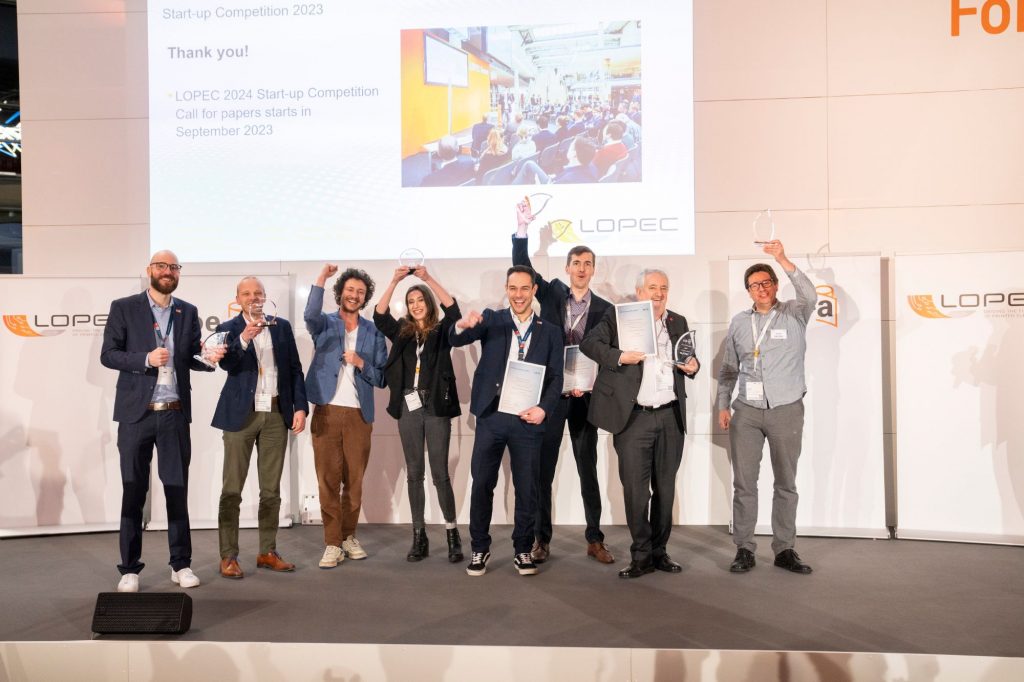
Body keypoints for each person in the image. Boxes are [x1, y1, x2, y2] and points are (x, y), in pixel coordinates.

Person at [100, 250, 224, 593]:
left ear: (178, 273)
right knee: (133, 491)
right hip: (135, 415)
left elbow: (190, 356)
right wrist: (145, 358)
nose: (167, 271)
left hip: (174, 413)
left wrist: (208, 358)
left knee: (176, 490)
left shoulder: (188, 311)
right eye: (161, 266)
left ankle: (180, 564)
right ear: (149, 270)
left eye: (173, 267)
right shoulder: (124, 307)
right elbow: (108, 354)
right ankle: (129, 569)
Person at [511, 199, 614, 565]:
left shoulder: (606, 309)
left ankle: (595, 539)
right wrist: (523, 230)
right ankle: (542, 539)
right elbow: (522, 269)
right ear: (568, 268)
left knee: (588, 469)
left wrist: (598, 384)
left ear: (593, 270)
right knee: (544, 471)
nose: (582, 269)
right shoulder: (554, 292)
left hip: (586, 398)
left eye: (587, 264)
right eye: (576, 263)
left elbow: (609, 354)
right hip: (552, 395)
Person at [580, 269, 699, 579]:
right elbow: (589, 344)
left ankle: (660, 552)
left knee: (665, 490)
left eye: (664, 287)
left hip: (670, 415)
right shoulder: (618, 317)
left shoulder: (677, 321)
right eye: (652, 287)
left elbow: (688, 358)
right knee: (635, 491)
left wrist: (693, 366)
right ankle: (641, 555)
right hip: (634, 418)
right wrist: (621, 356)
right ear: (639, 292)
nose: (659, 293)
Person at [449, 265, 563, 577]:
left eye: (525, 288)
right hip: (492, 415)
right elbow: (457, 340)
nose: (518, 295)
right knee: (482, 484)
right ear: (506, 289)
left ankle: (523, 549)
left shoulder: (550, 331)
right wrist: (461, 324)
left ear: (534, 290)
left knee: (527, 488)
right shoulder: (492, 319)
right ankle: (479, 547)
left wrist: (544, 409)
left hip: (528, 418)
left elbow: (556, 378)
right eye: (513, 288)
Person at [718, 240, 816, 575]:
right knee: (744, 484)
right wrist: (723, 404)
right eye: (753, 285)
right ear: (747, 291)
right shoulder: (739, 323)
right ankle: (744, 549)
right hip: (746, 411)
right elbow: (728, 368)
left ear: (775, 285)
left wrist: (782, 258)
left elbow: (810, 295)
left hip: (786, 409)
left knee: (786, 483)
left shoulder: (794, 313)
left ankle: (785, 549)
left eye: (766, 283)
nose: (760, 289)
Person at [211, 276, 308, 579]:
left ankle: (267, 551)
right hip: (240, 416)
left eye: (258, 293)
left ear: (265, 297)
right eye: (247, 293)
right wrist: (244, 338)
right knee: (232, 490)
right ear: (238, 298)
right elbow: (227, 365)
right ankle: (228, 556)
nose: (253, 298)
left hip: (276, 413)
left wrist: (301, 407)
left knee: (271, 491)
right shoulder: (227, 329)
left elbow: (294, 369)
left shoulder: (282, 327)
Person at [373, 265, 464, 563]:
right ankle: (419, 536)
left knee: (440, 474)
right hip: (408, 407)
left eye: (420, 299)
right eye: (410, 301)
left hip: (435, 407)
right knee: (414, 473)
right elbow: (379, 316)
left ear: (428, 302)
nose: (415, 305)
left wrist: (427, 278)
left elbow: (453, 311)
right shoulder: (403, 331)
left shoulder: (441, 331)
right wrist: (394, 280)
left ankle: (452, 534)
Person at [305, 264, 387, 568]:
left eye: (360, 292)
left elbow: (382, 377)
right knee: (327, 480)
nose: (354, 295)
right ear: (341, 292)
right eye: (350, 290)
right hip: (326, 410)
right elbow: (309, 315)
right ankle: (332, 543)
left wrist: (361, 362)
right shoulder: (324, 324)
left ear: (366, 298)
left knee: (354, 482)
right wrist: (321, 279)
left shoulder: (373, 331)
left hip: (359, 415)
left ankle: (348, 536)